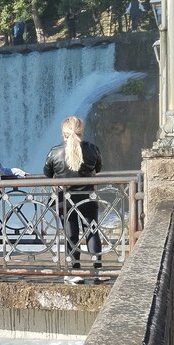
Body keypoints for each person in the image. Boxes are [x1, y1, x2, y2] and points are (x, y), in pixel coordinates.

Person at [43, 116, 103, 284]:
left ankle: (73, 272)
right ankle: (96, 271)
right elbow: (98, 168)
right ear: (81, 131)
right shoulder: (92, 149)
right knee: (92, 231)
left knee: (71, 234)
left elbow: (47, 173)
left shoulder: (55, 152)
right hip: (88, 198)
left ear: (63, 133)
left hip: (65, 200)